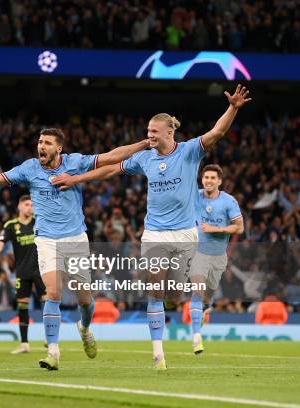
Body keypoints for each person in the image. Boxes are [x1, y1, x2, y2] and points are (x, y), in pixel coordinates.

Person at [51, 85, 252, 370]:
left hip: (185, 234)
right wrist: (75, 180)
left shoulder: (189, 152)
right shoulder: (145, 157)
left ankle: (171, 305)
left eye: (154, 132)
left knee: (175, 295)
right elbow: (111, 169)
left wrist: (232, 108)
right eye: (148, 131)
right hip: (155, 233)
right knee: (155, 291)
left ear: (169, 132)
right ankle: (158, 354)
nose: (149, 135)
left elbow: (217, 133)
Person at [0, 128, 149, 370]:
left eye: (48, 143)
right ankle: (53, 351)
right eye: (40, 141)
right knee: (52, 292)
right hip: (45, 239)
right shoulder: (29, 168)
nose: (41, 146)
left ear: (59, 149)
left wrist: (144, 143)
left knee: (84, 299)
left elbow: (111, 156)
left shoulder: (74, 162)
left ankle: (84, 328)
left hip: (75, 238)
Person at [189, 164, 243, 354]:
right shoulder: (194, 195)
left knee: (208, 294)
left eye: (212, 178)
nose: (208, 181)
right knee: (197, 291)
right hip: (198, 253)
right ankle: (196, 336)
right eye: (206, 177)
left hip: (219, 256)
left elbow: (239, 227)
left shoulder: (228, 201)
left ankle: (206, 307)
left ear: (219, 181)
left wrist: (217, 230)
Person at [0, 194, 45, 354]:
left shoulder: (39, 221)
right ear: (19, 206)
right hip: (23, 272)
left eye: (32, 205)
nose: (30, 207)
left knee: (47, 303)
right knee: (22, 306)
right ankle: (24, 343)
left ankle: (49, 337)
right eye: (26, 204)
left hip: (41, 270)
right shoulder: (11, 225)